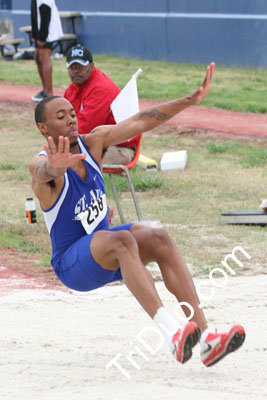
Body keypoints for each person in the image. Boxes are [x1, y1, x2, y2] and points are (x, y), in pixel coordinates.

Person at [29, 62, 245, 367]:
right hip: (72, 266)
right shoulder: (44, 167)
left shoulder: (95, 142)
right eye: (61, 116)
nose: (71, 120)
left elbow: (141, 122)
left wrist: (189, 100)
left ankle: (208, 339)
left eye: (73, 114)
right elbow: (41, 172)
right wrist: (55, 166)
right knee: (120, 239)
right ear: (43, 127)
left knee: (157, 235)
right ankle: (172, 335)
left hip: (109, 253)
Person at [64, 44, 141, 164]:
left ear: (91, 66)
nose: (76, 72)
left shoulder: (101, 88)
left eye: (80, 67)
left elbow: (85, 128)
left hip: (119, 148)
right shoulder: (73, 88)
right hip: (96, 144)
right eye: (72, 68)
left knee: (73, 164)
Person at [31, 0, 63, 102]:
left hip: (47, 31)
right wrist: (34, 33)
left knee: (44, 57)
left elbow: (46, 13)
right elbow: (34, 10)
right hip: (39, 31)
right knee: (37, 56)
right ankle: (45, 91)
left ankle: (49, 94)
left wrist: (42, 36)